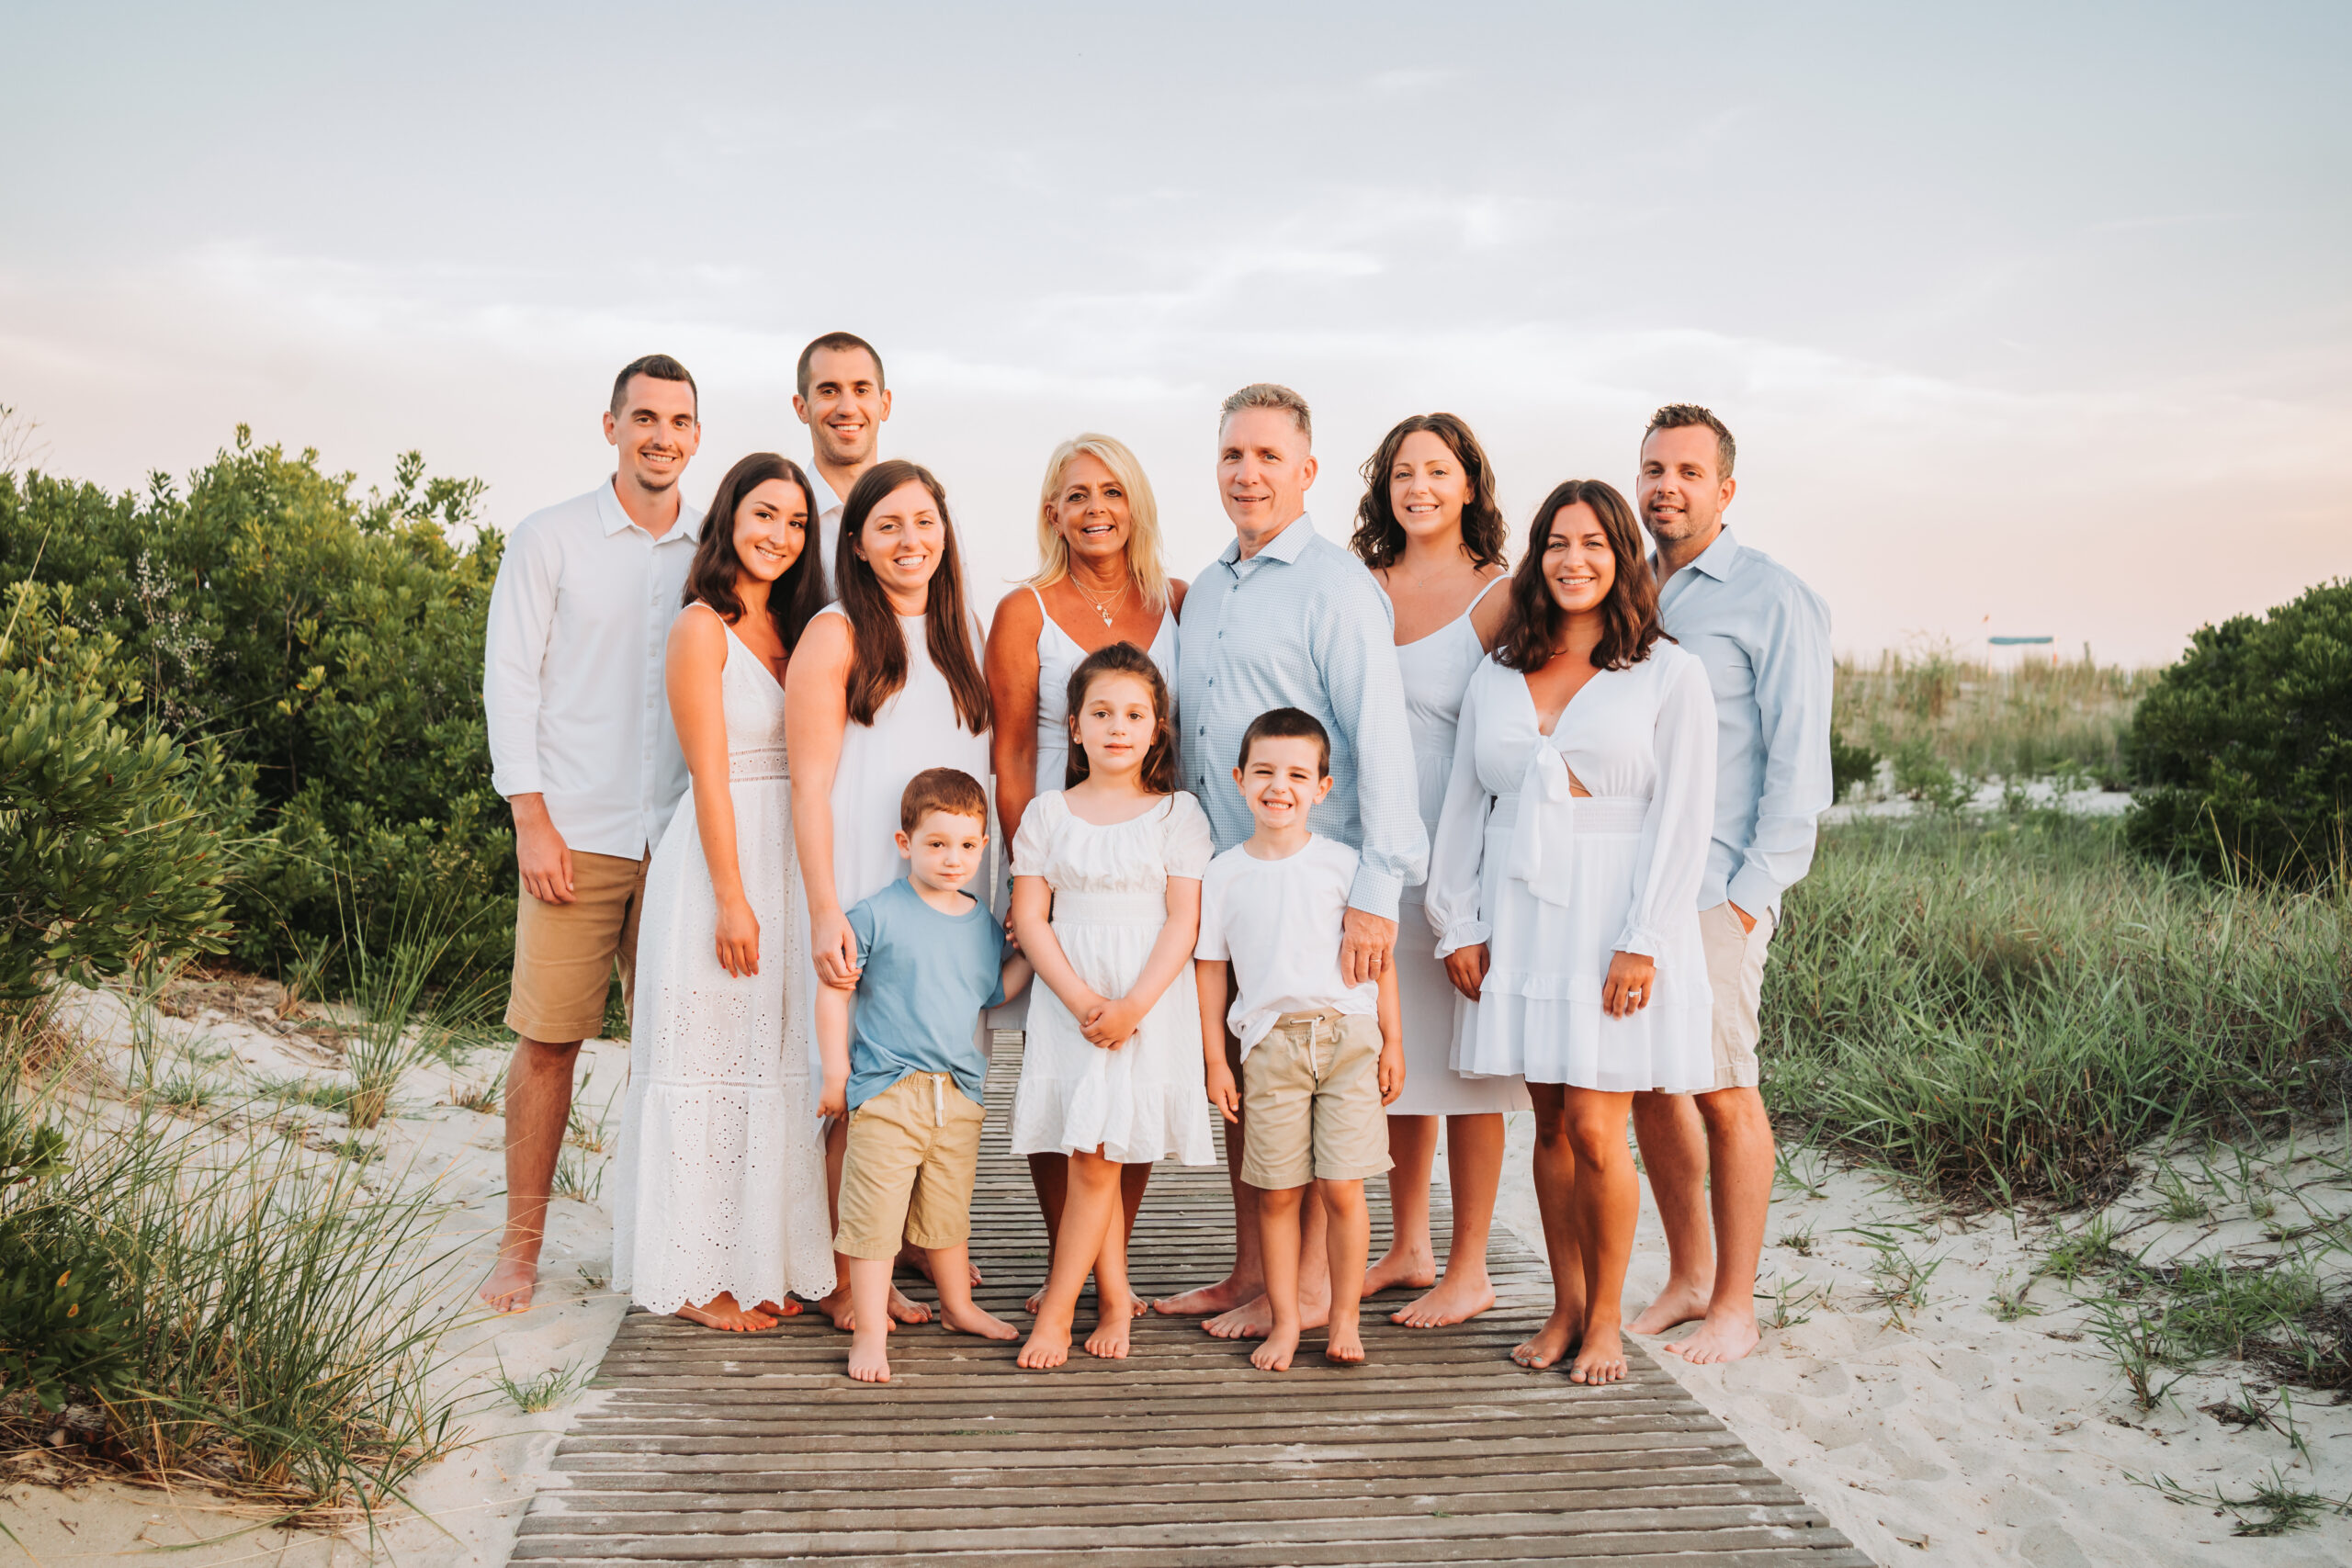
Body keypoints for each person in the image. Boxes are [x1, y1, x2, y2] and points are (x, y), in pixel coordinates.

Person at [1427, 479, 1718, 1384]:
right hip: (1521, 913)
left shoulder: (1669, 672)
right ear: (1536, 556)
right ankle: (1561, 1306)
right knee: (1547, 1124)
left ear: (1623, 556)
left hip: (1613, 914)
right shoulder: (1499, 669)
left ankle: (1603, 1321)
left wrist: (1646, 937)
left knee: (1598, 1126)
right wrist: (1457, 922)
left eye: (1594, 542)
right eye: (1556, 542)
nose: (1573, 559)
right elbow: (1464, 803)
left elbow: (1683, 818)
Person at [1160, 383, 1425, 1341]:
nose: (1248, 472)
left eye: (1269, 455)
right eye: (1233, 454)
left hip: (1321, 882)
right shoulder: (1209, 586)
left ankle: (1308, 1293)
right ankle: (1250, 1272)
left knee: (1312, 1082)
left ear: (1306, 470)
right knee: (1253, 1069)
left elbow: (1380, 742)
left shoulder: (1334, 585)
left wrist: (1375, 894)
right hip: (1233, 882)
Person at [480, 353, 704, 1313]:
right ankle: (520, 1248)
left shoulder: (716, 546)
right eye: (644, 417)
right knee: (549, 1041)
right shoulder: (549, 539)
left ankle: (675, 1250)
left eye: (679, 420)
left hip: (687, 839)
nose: (661, 436)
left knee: (683, 1049)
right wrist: (530, 819)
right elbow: (511, 681)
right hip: (578, 833)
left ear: (698, 435)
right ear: (609, 426)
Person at [1623, 405, 1833, 1366]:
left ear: (1725, 489)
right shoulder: (1633, 594)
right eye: (1653, 469)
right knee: (1650, 1090)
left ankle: (1737, 1304)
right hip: (1634, 885)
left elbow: (1798, 768)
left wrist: (1752, 893)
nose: (1666, 487)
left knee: (1722, 1087)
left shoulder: (1770, 597)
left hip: (1717, 888)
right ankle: (1688, 1275)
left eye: (1687, 472)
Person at [612, 452, 835, 1330]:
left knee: (772, 1065)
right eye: (763, 515)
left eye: (795, 522)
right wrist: (732, 896)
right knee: (704, 1062)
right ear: (729, 520)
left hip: (789, 864)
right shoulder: (701, 627)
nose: (778, 535)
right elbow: (707, 776)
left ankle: (757, 1260)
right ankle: (695, 1277)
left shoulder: (805, 628)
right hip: (719, 865)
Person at [785, 458, 993, 1330]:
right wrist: (828, 906)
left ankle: (912, 1241)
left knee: (928, 1079)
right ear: (859, 547)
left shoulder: (962, 633)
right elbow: (809, 785)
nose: (912, 541)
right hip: (870, 893)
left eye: (925, 522)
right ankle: (843, 1275)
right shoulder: (836, 632)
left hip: (947, 899)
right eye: (888, 527)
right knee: (862, 1094)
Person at [985, 434, 1186, 1305]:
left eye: (1112, 491)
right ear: (1052, 512)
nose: (1096, 507)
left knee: (1134, 1068)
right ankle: (1068, 1251)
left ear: (1135, 503)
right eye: (1077, 494)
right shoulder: (1024, 608)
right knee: (1057, 1064)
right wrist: (1047, 865)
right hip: (1056, 862)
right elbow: (1011, 752)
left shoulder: (1179, 599)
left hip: (1147, 870)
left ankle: (1111, 1263)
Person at [1346, 412, 1528, 1330]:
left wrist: (1479, 901)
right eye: (1403, 472)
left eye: (1438, 471)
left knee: (1471, 1075)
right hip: (1381, 860)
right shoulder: (1361, 586)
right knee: (1401, 1062)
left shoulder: (1496, 595)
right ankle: (1407, 1243)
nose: (1418, 487)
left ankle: (1469, 1267)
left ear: (1468, 485)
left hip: (1466, 867)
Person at [1010, 644, 1216, 1370]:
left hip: (1148, 998)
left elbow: (1183, 922)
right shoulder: (1046, 813)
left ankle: (1062, 1310)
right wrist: (1083, 1000)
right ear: (1073, 725)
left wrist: (1131, 1004)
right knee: (1090, 1150)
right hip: (1073, 999)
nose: (1117, 727)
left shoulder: (1177, 814)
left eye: (1134, 714)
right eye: (1101, 713)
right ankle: (1112, 1287)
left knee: (1108, 1152)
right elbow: (1031, 917)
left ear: (1157, 727)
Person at [1197, 709, 1404, 1371]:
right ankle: (1285, 1321)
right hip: (1269, 1048)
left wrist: (1393, 1041)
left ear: (1323, 787)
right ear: (1238, 779)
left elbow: (1380, 960)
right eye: (1263, 771)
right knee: (1278, 1191)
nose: (1278, 786)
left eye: (1296, 774)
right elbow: (1211, 970)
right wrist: (1215, 1060)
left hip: (1348, 1038)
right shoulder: (1222, 873)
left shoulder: (1345, 866)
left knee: (1343, 1187)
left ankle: (1342, 1315)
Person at [817, 769, 1033, 1383]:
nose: (953, 858)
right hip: (889, 1089)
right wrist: (837, 1072)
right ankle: (866, 1330)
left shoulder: (981, 924)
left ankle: (958, 1306)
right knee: (874, 1216)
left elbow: (994, 992)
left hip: (958, 1093)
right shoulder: (877, 914)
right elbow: (834, 992)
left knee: (947, 1210)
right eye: (936, 843)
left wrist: (1039, 951)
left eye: (967, 845)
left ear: (985, 847)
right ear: (904, 842)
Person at [791, 332, 890, 585]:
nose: (847, 408)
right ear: (802, 408)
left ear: (885, 405)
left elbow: (960, 616)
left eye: (861, 390)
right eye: (829, 391)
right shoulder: (779, 523)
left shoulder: (930, 515)